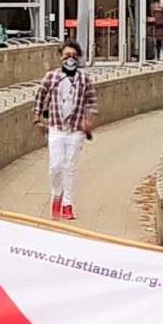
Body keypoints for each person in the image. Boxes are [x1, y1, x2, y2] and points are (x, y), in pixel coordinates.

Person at [35, 39, 97, 221]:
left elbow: (92, 102)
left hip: (75, 130)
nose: (70, 59)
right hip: (56, 128)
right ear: (60, 57)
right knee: (55, 165)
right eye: (66, 55)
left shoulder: (84, 79)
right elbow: (40, 95)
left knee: (70, 167)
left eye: (73, 56)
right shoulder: (52, 77)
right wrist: (36, 117)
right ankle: (56, 195)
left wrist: (88, 120)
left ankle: (68, 204)